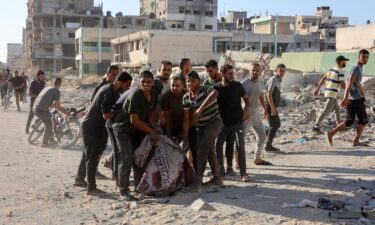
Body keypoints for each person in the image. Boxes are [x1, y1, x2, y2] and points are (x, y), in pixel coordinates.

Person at [74, 72, 132, 196]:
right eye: (127, 86)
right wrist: (123, 111)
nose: (127, 89)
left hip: (97, 128)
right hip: (91, 128)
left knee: (87, 155)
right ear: (120, 83)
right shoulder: (108, 91)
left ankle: (79, 179)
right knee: (92, 157)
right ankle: (91, 188)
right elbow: (106, 115)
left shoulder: (113, 91)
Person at [196, 64, 251, 182]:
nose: (233, 76)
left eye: (233, 73)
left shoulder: (237, 85)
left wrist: (247, 108)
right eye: (230, 74)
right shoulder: (217, 88)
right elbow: (210, 98)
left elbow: (246, 99)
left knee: (240, 145)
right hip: (222, 123)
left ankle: (243, 173)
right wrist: (200, 110)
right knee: (218, 146)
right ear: (222, 74)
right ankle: (220, 171)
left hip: (237, 122)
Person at [112, 71, 159, 200]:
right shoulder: (135, 96)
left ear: (153, 83)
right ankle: (124, 191)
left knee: (139, 156)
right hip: (123, 128)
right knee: (126, 158)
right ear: (139, 83)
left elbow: (150, 112)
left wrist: (154, 127)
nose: (146, 84)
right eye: (143, 81)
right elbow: (134, 120)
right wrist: (151, 132)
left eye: (148, 82)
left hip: (136, 129)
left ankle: (138, 186)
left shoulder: (154, 94)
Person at [183, 71, 223, 192]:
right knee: (210, 151)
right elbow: (186, 119)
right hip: (201, 126)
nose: (190, 83)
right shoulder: (186, 98)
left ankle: (197, 182)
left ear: (199, 82)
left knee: (203, 151)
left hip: (214, 122)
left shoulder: (206, 89)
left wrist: (200, 109)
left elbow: (215, 93)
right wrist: (185, 136)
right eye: (188, 81)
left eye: (193, 81)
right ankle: (217, 178)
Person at [327, 49, 370, 147]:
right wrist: (345, 98)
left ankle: (331, 134)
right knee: (363, 120)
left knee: (350, 120)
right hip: (355, 99)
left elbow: (357, 84)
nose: (365, 59)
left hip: (354, 98)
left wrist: (363, 94)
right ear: (358, 57)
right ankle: (356, 141)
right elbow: (349, 83)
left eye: (367, 57)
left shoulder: (359, 68)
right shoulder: (356, 68)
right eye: (363, 57)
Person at [203, 59, 236, 175]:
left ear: (217, 69)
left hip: (228, 116)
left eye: (211, 71)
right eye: (207, 72)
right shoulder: (207, 82)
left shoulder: (226, 80)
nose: (209, 74)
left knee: (230, 141)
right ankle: (218, 168)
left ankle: (230, 167)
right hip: (213, 117)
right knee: (214, 143)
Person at [242, 63, 272, 166]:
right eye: (253, 70)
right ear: (249, 71)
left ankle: (257, 158)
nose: (255, 72)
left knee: (262, 136)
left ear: (260, 72)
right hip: (246, 114)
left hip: (256, 113)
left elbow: (261, 96)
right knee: (240, 138)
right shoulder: (244, 84)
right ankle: (237, 161)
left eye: (257, 70)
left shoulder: (261, 82)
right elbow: (236, 99)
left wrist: (265, 109)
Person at [312, 56, 348, 134]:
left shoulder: (331, 70)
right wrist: (347, 86)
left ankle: (339, 126)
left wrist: (317, 89)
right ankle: (316, 126)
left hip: (329, 93)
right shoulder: (340, 71)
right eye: (345, 61)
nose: (346, 63)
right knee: (326, 110)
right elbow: (343, 85)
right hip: (332, 94)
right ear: (341, 62)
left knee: (337, 111)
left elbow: (322, 79)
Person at [33, 77, 70, 147]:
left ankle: (51, 139)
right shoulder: (57, 91)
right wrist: (66, 112)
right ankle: (44, 143)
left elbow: (48, 102)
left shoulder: (47, 88)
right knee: (49, 125)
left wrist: (59, 107)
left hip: (35, 107)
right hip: (41, 110)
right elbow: (57, 106)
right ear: (60, 84)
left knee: (49, 117)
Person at [265, 64, 286, 152]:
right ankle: (268, 146)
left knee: (276, 125)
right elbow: (268, 94)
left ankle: (265, 139)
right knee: (274, 125)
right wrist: (272, 108)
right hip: (270, 106)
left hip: (273, 106)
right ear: (276, 71)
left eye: (284, 71)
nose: (282, 73)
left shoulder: (278, 80)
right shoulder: (273, 80)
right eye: (280, 71)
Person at [161, 76, 187, 141]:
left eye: (177, 86)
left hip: (186, 123)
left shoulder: (187, 95)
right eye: (172, 85)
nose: (175, 88)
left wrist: (184, 132)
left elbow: (189, 116)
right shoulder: (166, 96)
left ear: (182, 86)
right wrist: (168, 135)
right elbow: (167, 117)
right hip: (173, 124)